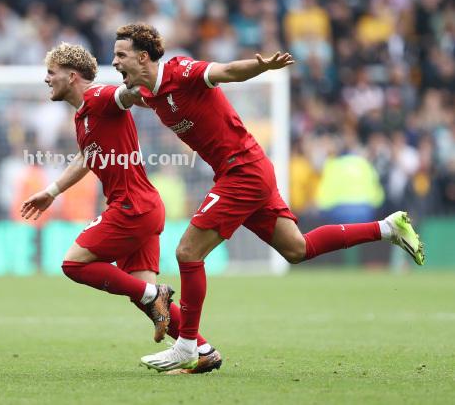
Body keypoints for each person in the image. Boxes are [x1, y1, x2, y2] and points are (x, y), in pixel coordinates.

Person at [110, 23, 425, 372]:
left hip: (242, 170)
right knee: (297, 249)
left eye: (120, 55)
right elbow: (117, 99)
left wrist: (260, 67)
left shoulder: (181, 71)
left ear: (142, 57)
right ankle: (388, 228)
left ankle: (187, 345)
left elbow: (226, 71)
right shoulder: (147, 93)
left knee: (187, 252)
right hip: (247, 170)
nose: (114, 62)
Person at [21, 43, 222, 374]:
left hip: (133, 207)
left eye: (51, 73)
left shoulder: (99, 97)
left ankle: (154, 294)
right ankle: (203, 350)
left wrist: (148, 92)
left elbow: (125, 97)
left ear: (72, 77)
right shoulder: (83, 115)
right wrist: (52, 191)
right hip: (143, 205)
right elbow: (89, 157)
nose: (46, 79)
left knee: (74, 264)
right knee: (145, 300)